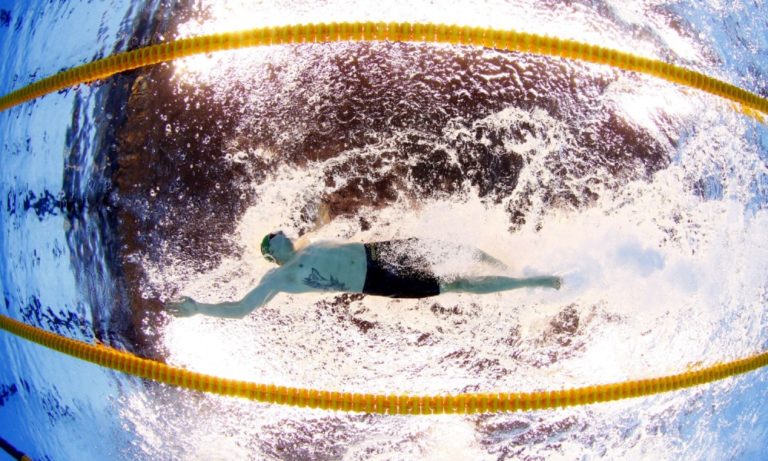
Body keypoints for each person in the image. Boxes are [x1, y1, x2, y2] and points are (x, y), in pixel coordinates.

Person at [166, 230, 562, 319]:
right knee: (455, 283)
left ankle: (510, 267)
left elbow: (321, 217)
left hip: (379, 251)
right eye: (274, 236)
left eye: (280, 230)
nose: (282, 232)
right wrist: (199, 308)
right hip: (376, 282)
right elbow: (241, 308)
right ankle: (533, 282)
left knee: (452, 248)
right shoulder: (277, 279)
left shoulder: (305, 244)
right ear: (272, 254)